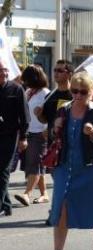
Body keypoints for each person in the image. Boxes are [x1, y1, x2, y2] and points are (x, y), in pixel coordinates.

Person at [45, 72, 93, 250]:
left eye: (83, 92)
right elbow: (55, 138)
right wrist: (55, 128)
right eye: (74, 91)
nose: (78, 95)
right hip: (66, 165)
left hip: (90, 167)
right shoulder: (64, 110)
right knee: (61, 206)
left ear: (91, 92)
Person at [34, 59, 74, 224]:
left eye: (60, 70)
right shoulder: (51, 95)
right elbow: (46, 119)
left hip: (70, 144)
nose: (56, 73)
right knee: (58, 180)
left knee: (63, 181)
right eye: (55, 70)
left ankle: (56, 213)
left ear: (69, 73)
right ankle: (61, 212)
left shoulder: (74, 94)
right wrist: (39, 114)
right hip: (53, 146)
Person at [14, 65, 50, 206]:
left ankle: (27, 194)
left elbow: (51, 113)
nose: (25, 82)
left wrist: (47, 129)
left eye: (27, 79)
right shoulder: (29, 92)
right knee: (34, 164)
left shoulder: (45, 93)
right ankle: (44, 194)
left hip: (40, 133)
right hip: (28, 132)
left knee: (34, 164)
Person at [0, 61, 30, 217]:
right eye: (0, 70)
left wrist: (23, 137)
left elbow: (25, 117)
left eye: (5, 70)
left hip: (10, 136)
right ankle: (6, 204)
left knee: (3, 169)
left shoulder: (16, 89)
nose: (4, 73)